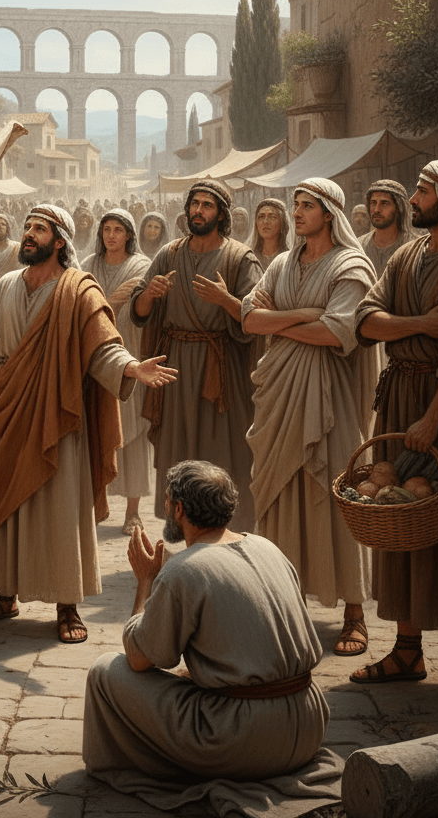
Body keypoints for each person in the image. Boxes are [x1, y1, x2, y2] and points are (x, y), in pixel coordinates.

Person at [0, 204, 177, 643]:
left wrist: (131, 369)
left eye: (39, 229)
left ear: (60, 241)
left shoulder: (78, 290)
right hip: (10, 412)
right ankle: (3, 594)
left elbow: (101, 348)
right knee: (4, 502)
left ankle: (67, 605)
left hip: (59, 414)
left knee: (60, 509)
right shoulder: (9, 284)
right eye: (28, 227)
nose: (28, 235)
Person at [83, 460, 342, 815]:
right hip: (310, 726)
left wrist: (146, 581)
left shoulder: (183, 570)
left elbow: (139, 658)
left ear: (179, 509)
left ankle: (148, 762)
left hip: (242, 740)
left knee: (104, 671)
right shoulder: (269, 549)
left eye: (168, 503)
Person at [352, 161, 438, 705]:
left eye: (423, 190)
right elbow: (365, 321)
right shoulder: (408, 256)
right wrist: (417, 325)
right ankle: (407, 649)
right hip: (400, 400)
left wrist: (433, 418)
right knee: (400, 520)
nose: (413, 197)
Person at [243, 178, 378, 657]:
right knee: (281, 494)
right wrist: (304, 313)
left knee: (337, 494)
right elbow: (249, 318)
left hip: (331, 400)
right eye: (295, 205)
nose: (296, 213)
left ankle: (355, 614)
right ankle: (285, 603)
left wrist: (286, 318)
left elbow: (338, 332)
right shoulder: (281, 262)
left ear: (330, 212)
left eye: (306, 206)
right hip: (280, 398)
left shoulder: (351, 265)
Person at [131, 179, 262, 533]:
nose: (198, 211)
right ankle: (182, 528)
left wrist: (226, 301)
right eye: (194, 204)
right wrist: (150, 295)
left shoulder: (240, 258)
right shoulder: (169, 254)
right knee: (178, 450)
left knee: (224, 452)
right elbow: (139, 309)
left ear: (221, 213)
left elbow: (255, 319)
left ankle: (227, 530)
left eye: (207, 205)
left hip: (220, 370)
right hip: (175, 368)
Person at [82, 209, 153, 536]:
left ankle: (133, 512)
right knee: (95, 431)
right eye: (106, 229)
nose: (111, 235)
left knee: (134, 435)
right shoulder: (87, 266)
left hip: (132, 356)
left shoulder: (143, 267)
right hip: (95, 361)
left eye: (118, 230)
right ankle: (95, 503)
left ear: (128, 235)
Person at [359, 178, 414, 278]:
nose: (377, 210)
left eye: (385, 204)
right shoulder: (359, 246)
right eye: (373, 203)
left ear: (399, 208)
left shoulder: (415, 246)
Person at [251, 197, 291, 272]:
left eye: (272, 217)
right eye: (261, 217)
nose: (265, 221)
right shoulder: (250, 258)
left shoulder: (290, 258)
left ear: (282, 223)